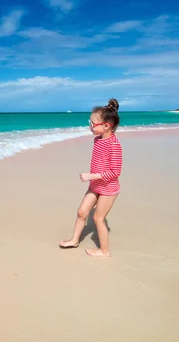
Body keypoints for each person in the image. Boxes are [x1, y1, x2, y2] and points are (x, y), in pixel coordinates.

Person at [59, 98, 123, 257]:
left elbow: (115, 172)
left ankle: (104, 250)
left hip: (109, 189)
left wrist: (91, 175)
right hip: (95, 186)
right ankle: (74, 240)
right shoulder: (97, 140)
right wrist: (93, 179)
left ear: (106, 126)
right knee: (82, 212)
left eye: (92, 123)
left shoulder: (114, 146)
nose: (90, 126)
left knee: (98, 218)